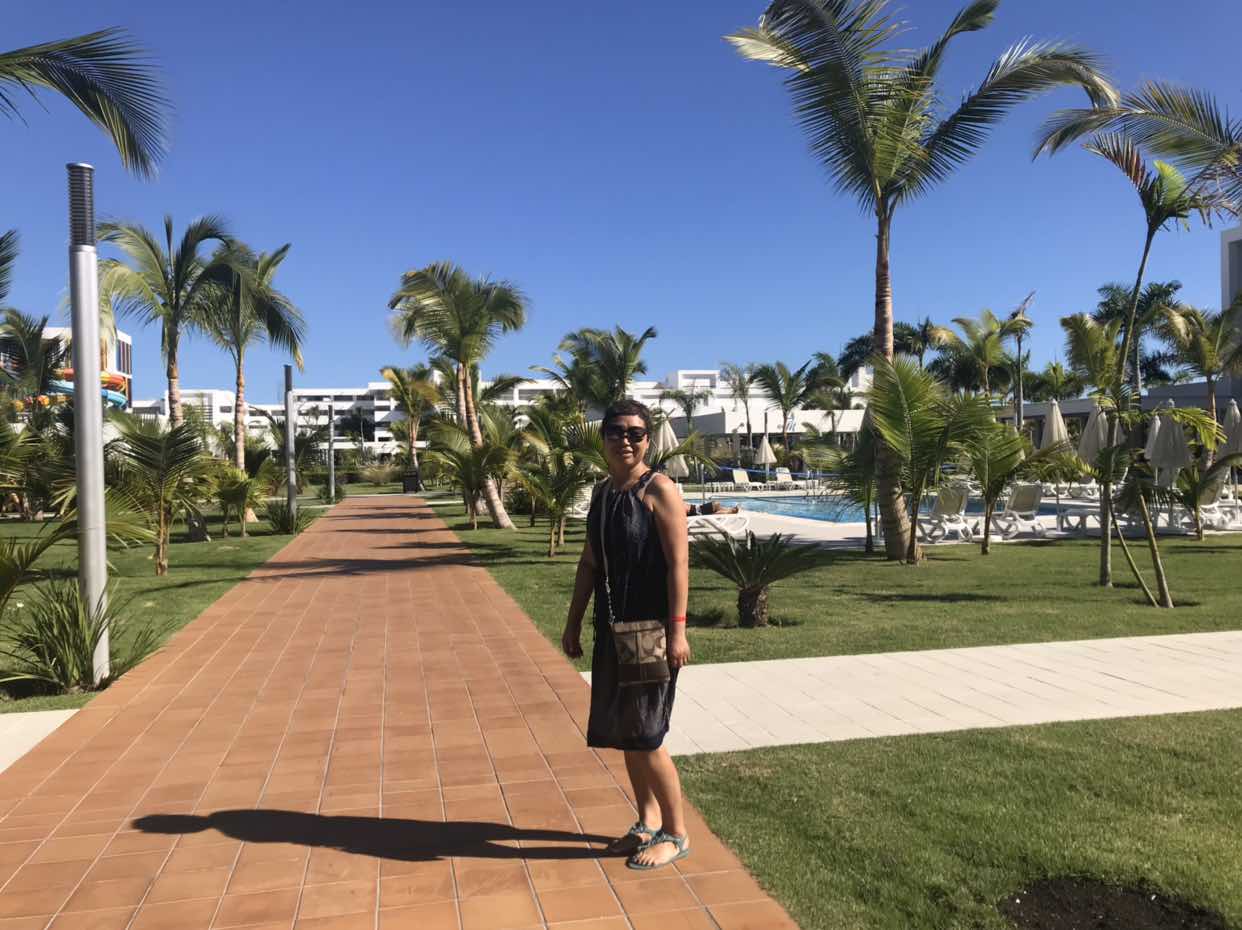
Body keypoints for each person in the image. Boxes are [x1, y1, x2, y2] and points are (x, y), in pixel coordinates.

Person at [562, 399, 692, 870]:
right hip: (612, 628)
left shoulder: (660, 490)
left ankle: (676, 833)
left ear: (648, 440)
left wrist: (677, 632)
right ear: (604, 438)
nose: (626, 441)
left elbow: (679, 565)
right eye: (616, 432)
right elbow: (589, 563)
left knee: (647, 734)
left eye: (636, 433)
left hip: (649, 630)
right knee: (626, 732)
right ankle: (647, 821)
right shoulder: (602, 493)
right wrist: (574, 620)